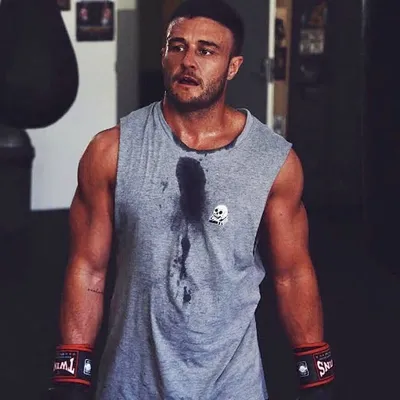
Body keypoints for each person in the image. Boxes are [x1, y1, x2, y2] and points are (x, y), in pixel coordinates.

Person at [49, 0, 334, 399]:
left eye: (206, 51)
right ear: (163, 54)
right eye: (177, 46)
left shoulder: (273, 161)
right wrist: (71, 370)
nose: (188, 61)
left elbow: (292, 274)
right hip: (132, 382)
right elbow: (88, 269)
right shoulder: (111, 151)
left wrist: (316, 372)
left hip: (232, 384)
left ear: (233, 66)